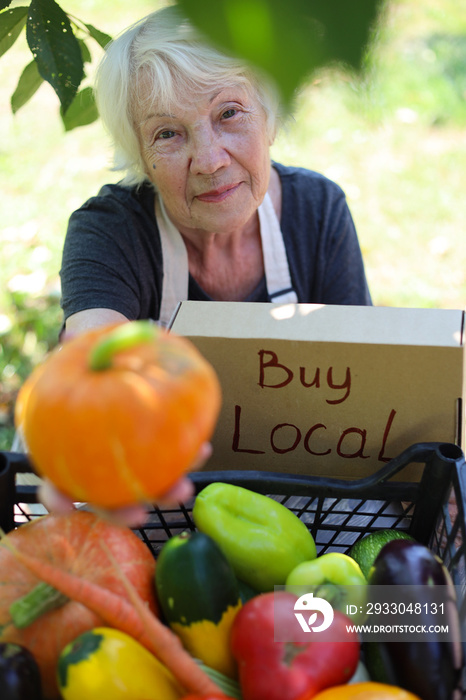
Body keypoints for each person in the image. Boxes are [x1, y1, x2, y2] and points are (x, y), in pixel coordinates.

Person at [45, 6, 372, 523]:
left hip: (301, 499)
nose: (211, 159)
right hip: (154, 496)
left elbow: (366, 376)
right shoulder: (109, 229)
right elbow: (92, 348)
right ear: (140, 156)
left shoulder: (318, 211)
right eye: (168, 134)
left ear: (268, 116)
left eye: (229, 113)